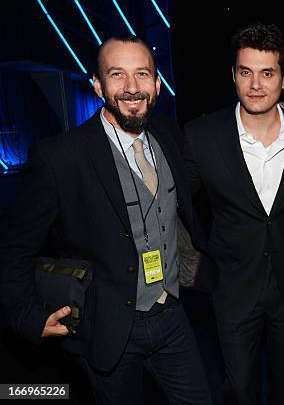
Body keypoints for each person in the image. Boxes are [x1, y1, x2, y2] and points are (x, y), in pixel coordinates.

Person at [0, 36, 212, 404]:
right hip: (107, 327)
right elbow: (12, 247)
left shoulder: (168, 134)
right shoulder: (60, 157)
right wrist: (28, 316)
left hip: (172, 315)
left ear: (157, 84)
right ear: (97, 85)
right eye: (117, 75)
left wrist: (274, 115)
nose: (132, 88)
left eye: (142, 74)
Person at [183, 23, 284, 404]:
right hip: (232, 286)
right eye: (246, 72)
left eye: (267, 73)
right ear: (233, 75)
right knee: (238, 390)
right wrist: (205, 250)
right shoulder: (201, 136)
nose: (256, 84)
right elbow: (181, 203)